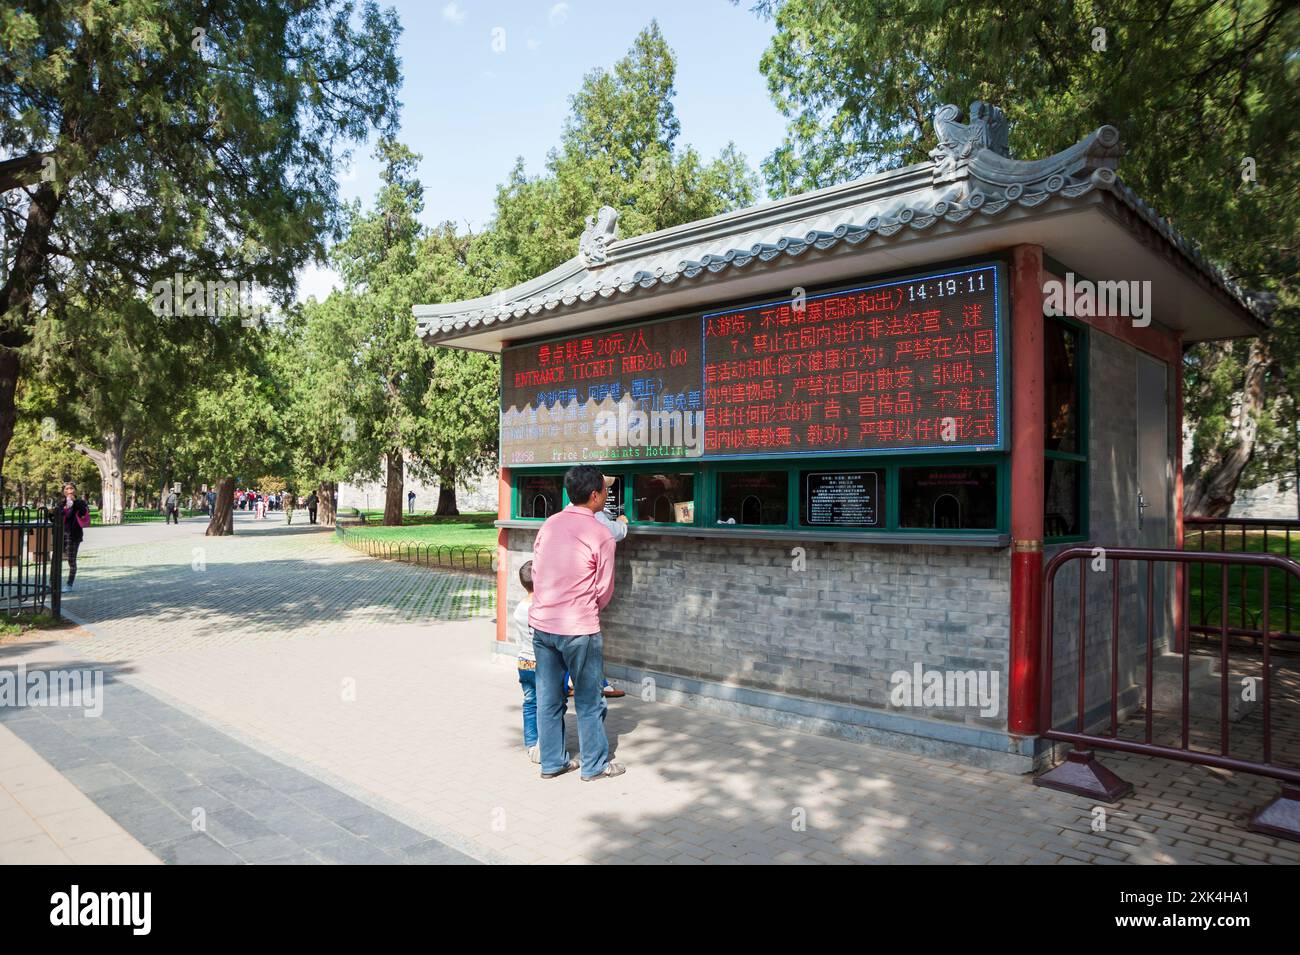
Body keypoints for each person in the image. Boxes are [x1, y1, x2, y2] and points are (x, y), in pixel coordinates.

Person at [529, 464, 624, 781]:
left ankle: (552, 762)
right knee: (588, 699)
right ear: (595, 495)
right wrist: (585, 609)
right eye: (605, 490)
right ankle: (594, 765)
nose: (607, 495)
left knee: (548, 697)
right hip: (579, 630)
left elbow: (536, 573)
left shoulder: (549, 524)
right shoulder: (601, 534)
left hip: (543, 626)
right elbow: (604, 589)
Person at [54, 482, 89, 592]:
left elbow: (84, 512)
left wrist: (73, 502)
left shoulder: (80, 502)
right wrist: (65, 506)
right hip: (61, 533)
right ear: (63, 491)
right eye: (67, 489)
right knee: (56, 559)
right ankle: (53, 583)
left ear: (75, 490)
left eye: (71, 488)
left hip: (73, 534)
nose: (69, 490)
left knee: (71, 560)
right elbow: (58, 516)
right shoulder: (61, 503)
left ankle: (69, 584)